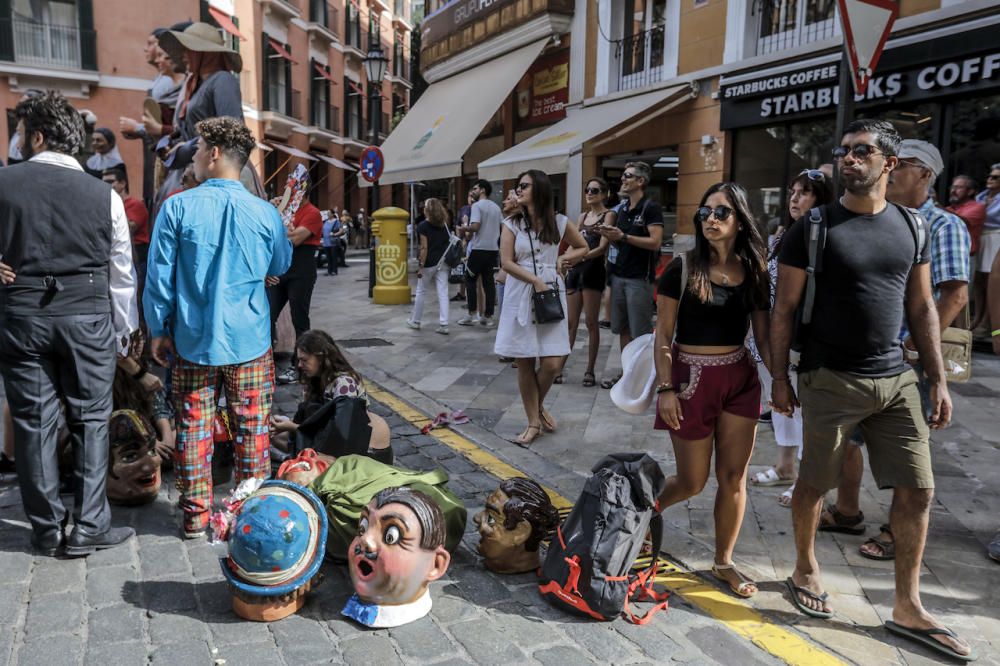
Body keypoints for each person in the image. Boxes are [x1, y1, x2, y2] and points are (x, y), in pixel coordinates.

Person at [770, 120, 973, 661]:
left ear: (889, 163)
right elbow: (782, 310)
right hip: (828, 377)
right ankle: (805, 568)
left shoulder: (913, 226)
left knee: (918, 489)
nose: (850, 159)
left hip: (896, 380)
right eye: (844, 151)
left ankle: (907, 604)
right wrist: (778, 379)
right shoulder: (812, 227)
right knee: (815, 483)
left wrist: (935, 379)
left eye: (863, 151)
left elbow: (923, 306)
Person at [0, 92, 138, 557]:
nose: (17, 140)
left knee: (33, 423)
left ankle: (45, 528)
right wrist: (124, 331)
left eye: (20, 131)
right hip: (88, 318)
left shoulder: (3, 183)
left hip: (21, 317)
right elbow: (122, 271)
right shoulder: (106, 196)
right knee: (92, 419)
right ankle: (90, 525)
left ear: (37, 136)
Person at [821, 140, 971, 560]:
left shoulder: (942, 225)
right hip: (863, 358)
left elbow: (954, 293)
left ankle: (894, 530)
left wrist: (919, 346)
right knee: (849, 440)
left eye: (902, 165)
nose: (891, 171)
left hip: (909, 362)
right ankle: (847, 510)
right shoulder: (882, 218)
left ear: (925, 175)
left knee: (907, 454)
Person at [144, 117, 292, 538]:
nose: (192, 156)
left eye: (197, 148)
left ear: (213, 155)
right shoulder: (264, 212)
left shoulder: (177, 205)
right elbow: (280, 265)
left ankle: (195, 516)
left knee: (193, 428)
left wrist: (158, 328)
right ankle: (250, 516)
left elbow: (158, 279)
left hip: (193, 340)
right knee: (252, 432)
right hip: (249, 341)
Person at [653, 182, 771, 599]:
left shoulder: (754, 269)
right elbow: (663, 334)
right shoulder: (681, 268)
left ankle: (724, 561)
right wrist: (665, 388)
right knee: (692, 481)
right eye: (705, 214)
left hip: (740, 378)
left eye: (721, 213)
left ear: (740, 219)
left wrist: (785, 384)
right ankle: (645, 511)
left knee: (734, 477)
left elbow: (764, 335)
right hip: (690, 381)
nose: (712, 220)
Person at [749, 169, 833, 506]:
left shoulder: (821, 236)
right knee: (779, 403)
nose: (795, 198)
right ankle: (785, 467)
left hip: (798, 337)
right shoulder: (783, 234)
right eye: (793, 191)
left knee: (801, 408)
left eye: (806, 192)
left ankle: (808, 479)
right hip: (768, 335)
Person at [494, 170, 588, 446]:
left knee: (553, 362)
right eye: (517, 185)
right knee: (524, 359)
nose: (518, 190)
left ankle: (536, 405)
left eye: (524, 185)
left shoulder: (559, 222)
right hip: (521, 291)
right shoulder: (511, 224)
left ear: (540, 190)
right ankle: (533, 422)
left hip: (550, 292)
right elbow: (507, 262)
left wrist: (564, 260)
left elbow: (582, 246)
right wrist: (535, 279)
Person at [269, 330, 393, 464]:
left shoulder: (344, 384)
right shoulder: (314, 380)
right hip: (327, 438)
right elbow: (313, 421)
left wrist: (292, 426)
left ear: (321, 358)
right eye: (298, 360)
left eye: (304, 360)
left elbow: (340, 434)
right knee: (275, 436)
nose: (299, 365)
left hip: (361, 450)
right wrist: (287, 423)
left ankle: (299, 460)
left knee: (305, 450)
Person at [598, 161, 664, 389]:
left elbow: (655, 242)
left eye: (627, 176)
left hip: (638, 280)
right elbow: (619, 239)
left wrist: (623, 236)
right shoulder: (622, 208)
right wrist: (609, 234)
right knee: (623, 329)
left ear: (640, 181)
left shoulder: (650, 208)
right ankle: (628, 374)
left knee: (641, 333)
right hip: (618, 277)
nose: (623, 179)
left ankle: (643, 378)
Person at [557, 177, 613, 387]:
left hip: (593, 271)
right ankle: (560, 367)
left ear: (605, 194)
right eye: (587, 189)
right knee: (570, 323)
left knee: (591, 323)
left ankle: (589, 370)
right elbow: (575, 243)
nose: (589, 193)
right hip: (576, 271)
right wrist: (566, 259)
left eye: (595, 190)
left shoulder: (609, 215)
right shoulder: (582, 216)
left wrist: (579, 257)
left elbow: (602, 248)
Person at [270, 171, 324, 385]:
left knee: (299, 320)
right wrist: (273, 211)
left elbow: (295, 238)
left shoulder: (312, 213)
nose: (287, 191)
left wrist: (277, 225)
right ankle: (266, 362)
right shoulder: (284, 211)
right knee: (267, 314)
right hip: (281, 271)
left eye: (291, 188)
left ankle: (299, 366)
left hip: (301, 271)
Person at [102, 167, 150, 306]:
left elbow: (129, 228)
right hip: (118, 255)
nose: (107, 185)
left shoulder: (135, 204)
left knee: (134, 299)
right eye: (103, 182)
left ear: (123, 183)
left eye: (111, 181)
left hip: (136, 257)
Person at [458, 180, 503, 328]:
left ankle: (472, 314)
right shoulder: (496, 207)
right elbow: (501, 227)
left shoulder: (477, 206)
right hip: (493, 249)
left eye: (475, 188)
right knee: (488, 282)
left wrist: (464, 228)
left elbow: (476, 226)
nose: (472, 191)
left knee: (470, 279)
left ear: (482, 190)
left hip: (478, 249)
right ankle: (488, 317)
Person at [407, 198, 452, 335]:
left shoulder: (422, 226)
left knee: (421, 291)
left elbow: (424, 248)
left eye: (425, 206)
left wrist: (420, 266)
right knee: (443, 292)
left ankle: (416, 321)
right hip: (443, 262)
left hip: (429, 263)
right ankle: (444, 324)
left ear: (428, 210)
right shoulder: (444, 224)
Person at [972, 164, 1000, 337]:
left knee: (992, 281)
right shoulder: (982, 196)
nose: (990, 179)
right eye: (990, 176)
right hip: (982, 237)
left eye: (996, 177)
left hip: (996, 237)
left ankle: (987, 323)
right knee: (979, 281)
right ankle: (978, 317)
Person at [321, 209, 340, 276]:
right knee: (328, 258)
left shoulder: (336, 222)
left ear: (332, 214)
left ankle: (334, 271)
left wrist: (334, 234)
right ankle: (329, 271)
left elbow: (341, 230)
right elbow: (322, 230)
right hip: (326, 242)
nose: (328, 214)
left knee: (333, 257)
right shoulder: (325, 222)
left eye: (329, 213)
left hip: (333, 242)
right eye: (327, 213)